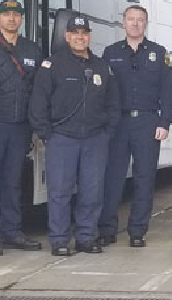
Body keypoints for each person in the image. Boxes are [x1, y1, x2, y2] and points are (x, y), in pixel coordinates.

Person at [30, 15, 120, 255]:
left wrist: (107, 132)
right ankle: (59, 241)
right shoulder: (53, 65)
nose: (80, 37)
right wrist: (46, 133)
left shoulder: (102, 67)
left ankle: (86, 237)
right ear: (67, 36)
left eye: (84, 33)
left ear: (89, 36)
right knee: (59, 192)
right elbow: (38, 102)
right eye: (75, 33)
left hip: (94, 139)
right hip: (62, 138)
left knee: (92, 191)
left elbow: (113, 104)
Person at [98, 5, 172, 248]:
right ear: (123, 23)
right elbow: (102, 90)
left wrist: (165, 122)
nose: (135, 24)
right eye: (131, 19)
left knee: (144, 178)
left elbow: (168, 90)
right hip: (118, 123)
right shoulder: (110, 53)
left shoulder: (158, 53)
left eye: (140, 20)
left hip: (147, 122)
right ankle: (107, 229)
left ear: (146, 23)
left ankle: (137, 231)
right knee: (113, 178)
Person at [0, 0, 44, 255]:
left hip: (20, 126)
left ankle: (12, 231)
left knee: (13, 182)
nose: (11, 19)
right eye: (6, 14)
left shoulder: (32, 50)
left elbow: (38, 90)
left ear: (21, 19)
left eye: (16, 14)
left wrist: (36, 125)